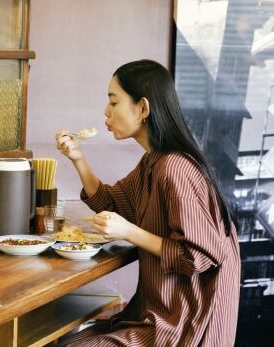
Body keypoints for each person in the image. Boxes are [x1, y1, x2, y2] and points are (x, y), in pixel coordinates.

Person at [55, 59, 240, 347]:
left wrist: (129, 232)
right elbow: (112, 202)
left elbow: (197, 256)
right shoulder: (153, 162)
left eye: (113, 102)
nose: (106, 111)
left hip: (185, 327)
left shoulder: (175, 168)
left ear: (142, 108)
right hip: (159, 315)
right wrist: (78, 158)